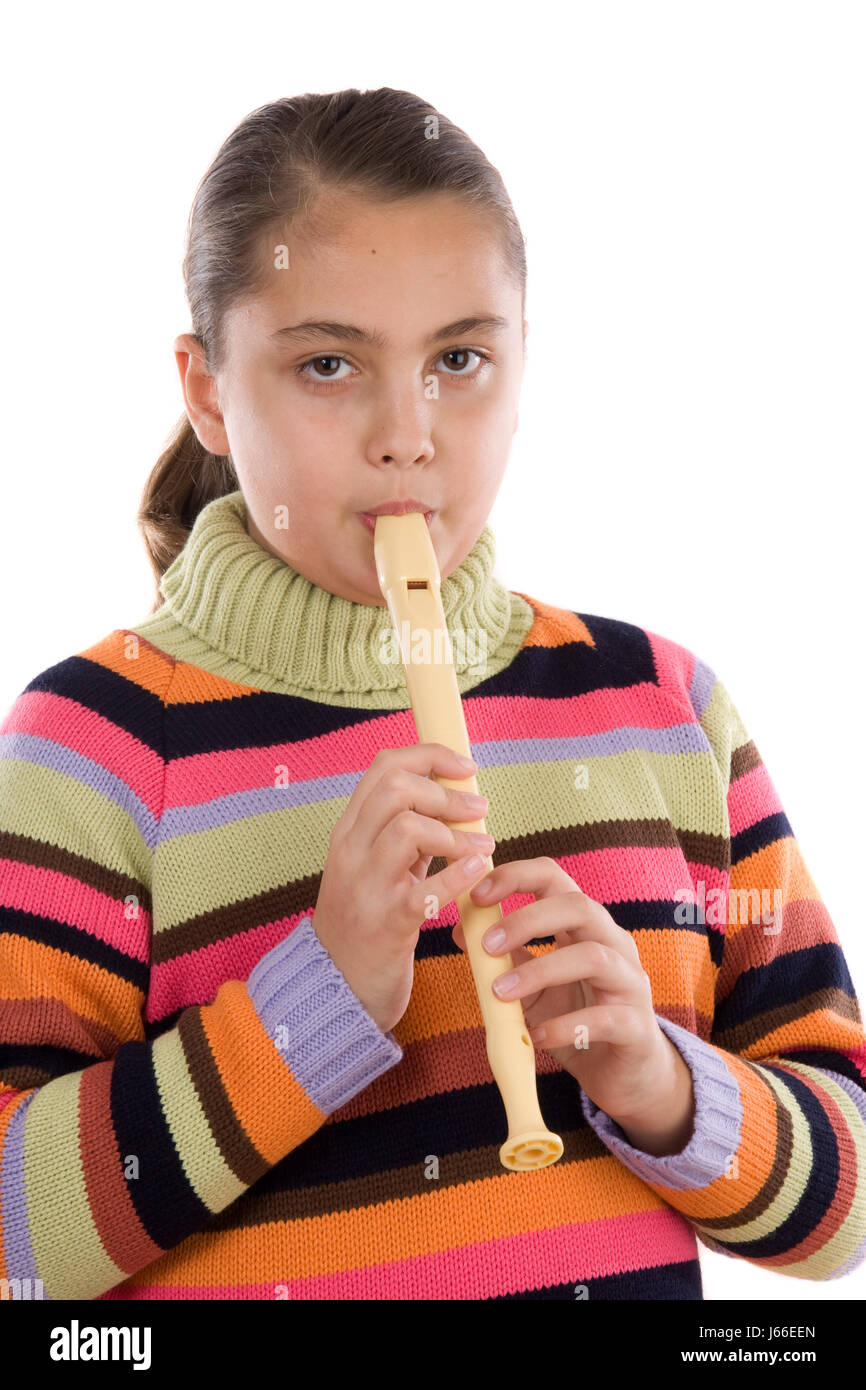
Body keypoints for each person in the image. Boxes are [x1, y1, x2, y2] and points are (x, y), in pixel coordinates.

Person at [1, 87, 864, 1303]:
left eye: (458, 359)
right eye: (327, 363)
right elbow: (12, 1244)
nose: (405, 435)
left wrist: (660, 1086)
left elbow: (844, 1211)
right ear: (205, 389)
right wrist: (318, 998)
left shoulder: (661, 704)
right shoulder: (92, 748)